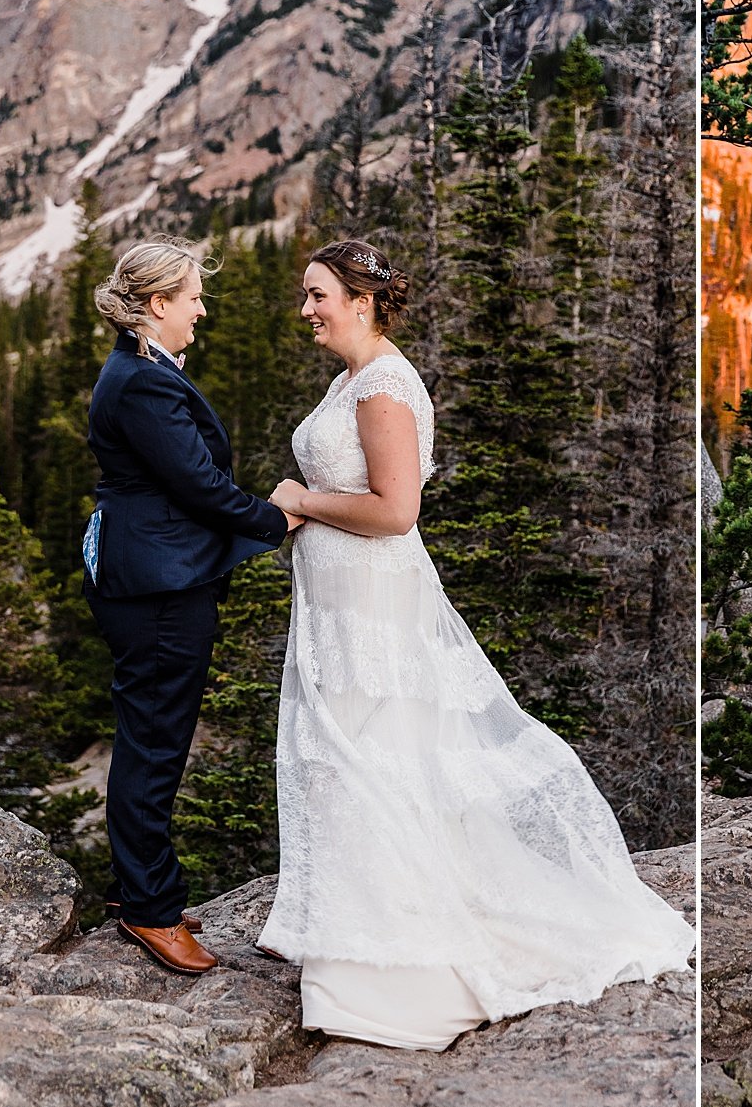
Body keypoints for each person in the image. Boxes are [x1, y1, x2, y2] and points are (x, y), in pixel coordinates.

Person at [256, 239, 693, 1051]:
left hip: (374, 605)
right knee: (346, 758)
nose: (306, 309)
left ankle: (396, 977)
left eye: (317, 295)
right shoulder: (352, 378)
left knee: (372, 758)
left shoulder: (385, 385)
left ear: (361, 300)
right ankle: (355, 949)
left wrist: (301, 501)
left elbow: (395, 510)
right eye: (306, 295)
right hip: (341, 602)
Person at [85, 237, 301, 975]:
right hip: (157, 589)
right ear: (156, 305)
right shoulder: (142, 381)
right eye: (191, 297)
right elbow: (199, 484)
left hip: (153, 578)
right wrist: (278, 519)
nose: (201, 308)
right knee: (154, 741)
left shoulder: (142, 369)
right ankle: (148, 908)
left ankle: (140, 891)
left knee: (151, 736)